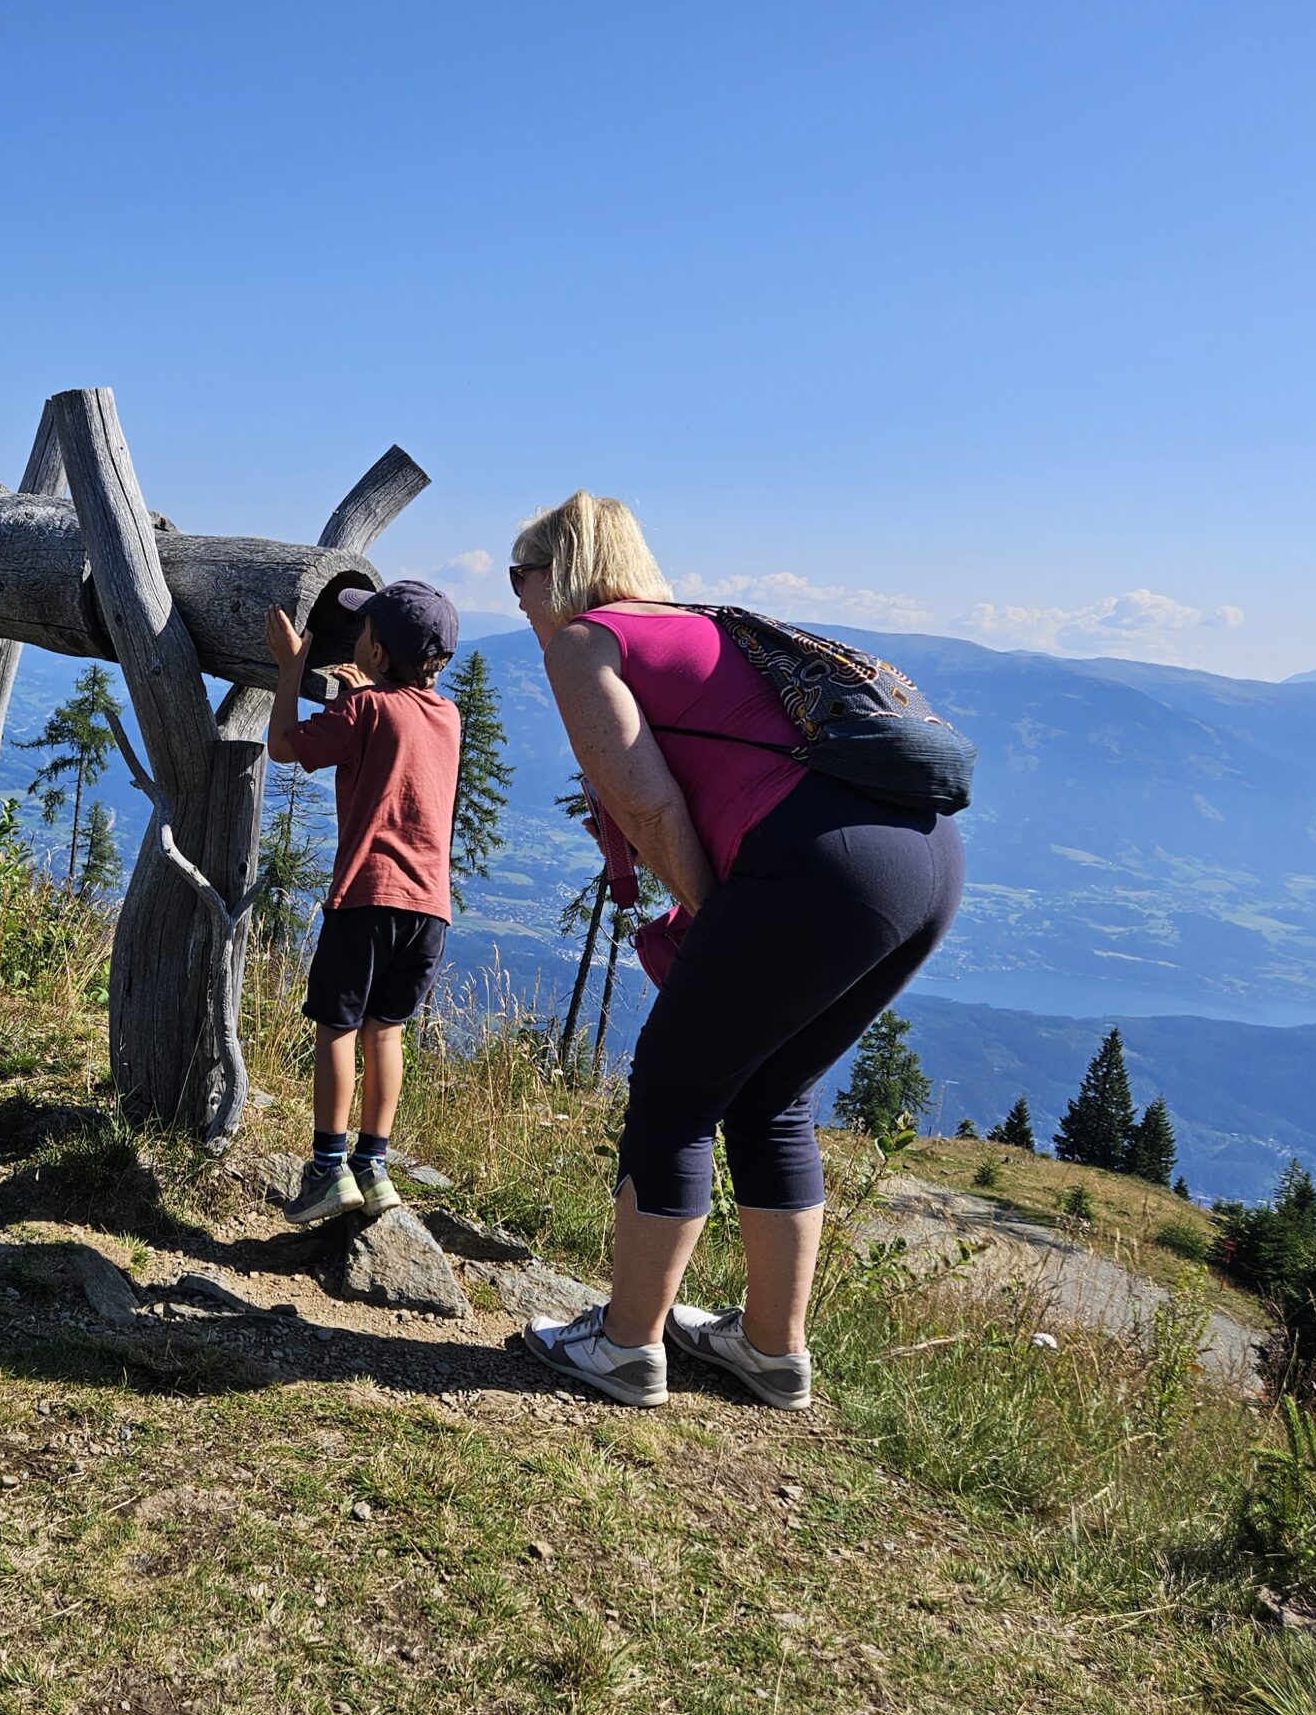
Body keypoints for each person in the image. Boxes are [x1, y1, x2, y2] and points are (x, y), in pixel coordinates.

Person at [510, 494, 963, 1409]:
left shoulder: (587, 642)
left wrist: (719, 923)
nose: (516, 596)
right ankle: (770, 1349)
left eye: (520, 574)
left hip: (816, 866)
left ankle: (626, 1345)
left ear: (561, 570)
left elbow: (648, 805)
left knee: (674, 1093)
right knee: (770, 1098)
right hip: (927, 862)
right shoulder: (709, 628)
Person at [263, 580, 463, 1225]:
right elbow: (397, 734)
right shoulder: (448, 716)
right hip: (429, 909)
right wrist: (363, 696)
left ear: (375, 654)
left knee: (338, 1028)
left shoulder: (365, 710)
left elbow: (285, 745)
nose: (354, 638)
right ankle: (373, 1167)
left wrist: (291, 669)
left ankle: (327, 1169)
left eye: (363, 631)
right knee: (387, 1031)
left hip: (366, 898)